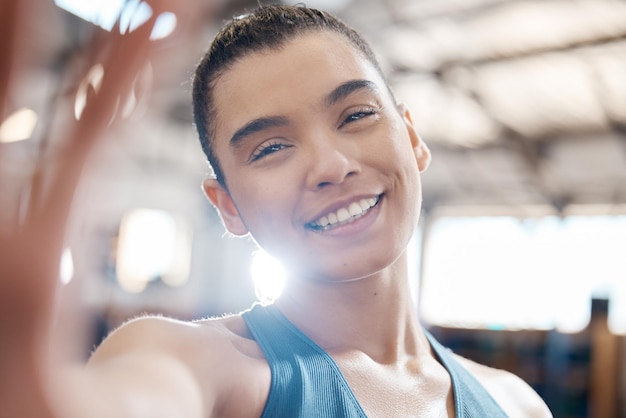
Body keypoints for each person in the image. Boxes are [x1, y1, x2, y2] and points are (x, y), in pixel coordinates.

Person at [7, 4, 553, 417]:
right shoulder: (207, 367)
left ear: (411, 139)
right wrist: (23, 357)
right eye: (270, 148)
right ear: (228, 207)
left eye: (356, 114)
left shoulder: (519, 404)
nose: (331, 165)